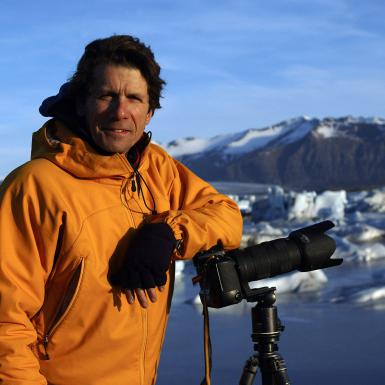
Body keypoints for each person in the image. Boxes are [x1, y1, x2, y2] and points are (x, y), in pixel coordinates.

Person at [0, 35, 242, 385]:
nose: (120, 112)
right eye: (106, 96)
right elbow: (5, 325)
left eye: (133, 98)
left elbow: (225, 214)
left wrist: (169, 233)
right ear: (81, 103)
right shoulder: (35, 187)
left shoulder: (155, 169)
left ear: (149, 112)